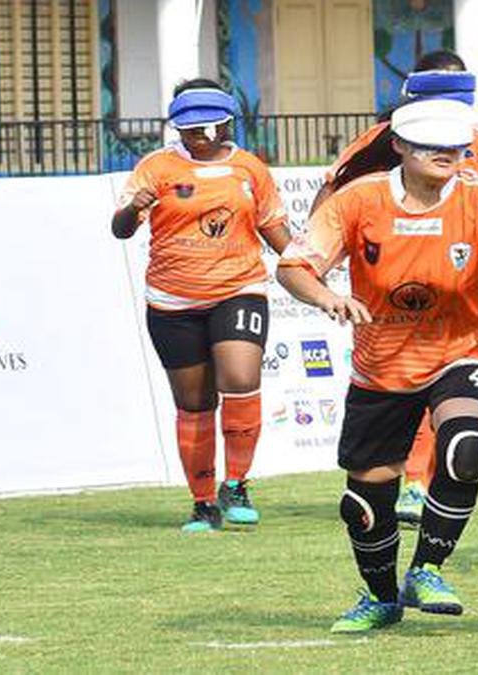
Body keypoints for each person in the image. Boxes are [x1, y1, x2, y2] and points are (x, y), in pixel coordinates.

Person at [278, 97, 478, 633]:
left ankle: (428, 569)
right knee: (364, 501)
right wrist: (326, 296)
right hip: (381, 367)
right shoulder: (357, 201)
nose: (446, 153)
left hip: (466, 349)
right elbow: (293, 266)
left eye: (455, 145)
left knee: (466, 446)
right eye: (431, 144)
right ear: (399, 146)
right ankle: (379, 598)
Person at [311, 50, 478, 529]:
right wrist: (324, 263)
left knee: (459, 429)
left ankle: (420, 488)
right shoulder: (376, 144)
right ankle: (386, 573)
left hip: (460, 304)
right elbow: (331, 196)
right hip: (385, 311)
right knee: (367, 492)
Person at [111, 79, 290, 532]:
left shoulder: (250, 169)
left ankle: (237, 483)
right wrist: (134, 207)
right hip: (172, 301)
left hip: (238, 288)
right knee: (194, 402)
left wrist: (309, 267)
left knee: (241, 377)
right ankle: (203, 502)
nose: (202, 138)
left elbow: (275, 230)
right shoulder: (156, 167)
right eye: (192, 130)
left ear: (227, 123)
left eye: (210, 128)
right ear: (179, 128)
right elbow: (121, 229)